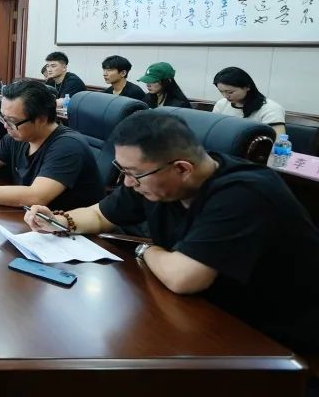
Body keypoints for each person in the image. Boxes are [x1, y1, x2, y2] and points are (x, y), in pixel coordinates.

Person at [23, 112, 319, 357]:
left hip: (273, 340)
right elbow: (100, 215)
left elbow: (183, 278)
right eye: (122, 170)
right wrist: (57, 221)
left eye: (133, 173)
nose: (127, 183)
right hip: (204, 312)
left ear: (182, 168)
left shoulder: (245, 193)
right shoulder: (153, 178)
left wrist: (145, 250)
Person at [0, 79, 103, 209]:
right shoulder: (17, 135)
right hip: (29, 219)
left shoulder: (68, 146)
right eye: (3, 117)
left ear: (41, 119)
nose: (5, 125)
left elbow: (36, 197)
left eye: (12, 120)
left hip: (67, 229)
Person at [212, 67, 286, 135]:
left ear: (247, 87)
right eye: (221, 92)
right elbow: (213, 130)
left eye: (230, 92)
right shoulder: (221, 104)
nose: (225, 96)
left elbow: (277, 140)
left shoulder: (271, 109)